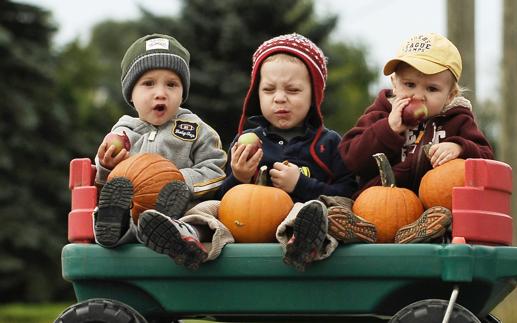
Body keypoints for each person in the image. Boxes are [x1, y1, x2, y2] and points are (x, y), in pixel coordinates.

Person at [137, 33, 376, 272]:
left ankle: (303, 243)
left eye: (293, 90)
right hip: (241, 226)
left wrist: (301, 185)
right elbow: (222, 197)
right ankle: (185, 237)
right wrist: (238, 177)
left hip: (293, 223)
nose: (280, 98)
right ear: (256, 94)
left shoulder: (329, 143)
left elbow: (347, 195)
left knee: (307, 210)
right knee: (207, 209)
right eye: (269, 90)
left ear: (314, 95)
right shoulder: (247, 142)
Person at [339, 32, 494, 244]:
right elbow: (351, 159)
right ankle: (344, 227)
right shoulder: (380, 115)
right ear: (394, 83)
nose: (418, 96)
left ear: (450, 95)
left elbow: (486, 157)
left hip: (429, 215)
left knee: (442, 221)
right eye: (409, 85)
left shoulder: (457, 121)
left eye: (432, 89)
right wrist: (388, 129)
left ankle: (422, 235)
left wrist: (460, 147)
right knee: (337, 204)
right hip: (375, 210)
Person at [92, 34, 227, 269]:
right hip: (135, 211)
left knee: (205, 219)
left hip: (184, 209)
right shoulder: (123, 133)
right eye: (148, 83)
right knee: (114, 212)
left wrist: (180, 181)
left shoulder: (195, 128)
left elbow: (215, 168)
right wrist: (106, 165)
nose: (161, 93)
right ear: (131, 95)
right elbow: (107, 182)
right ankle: (116, 227)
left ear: (182, 93)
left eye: (172, 84)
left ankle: (179, 238)